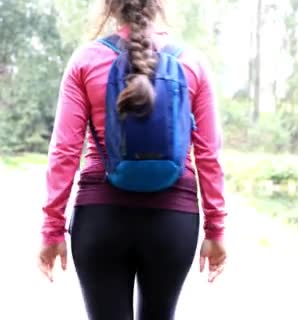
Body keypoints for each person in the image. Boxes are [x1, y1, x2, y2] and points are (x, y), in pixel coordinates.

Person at [37, 0, 228, 319]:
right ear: (160, 5)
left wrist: (52, 229)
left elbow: (64, 151)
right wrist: (215, 229)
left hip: (100, 219)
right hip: (173, 222)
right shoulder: (192, 63)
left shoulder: (86, 59)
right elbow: (209, 155)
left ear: (109, 6)